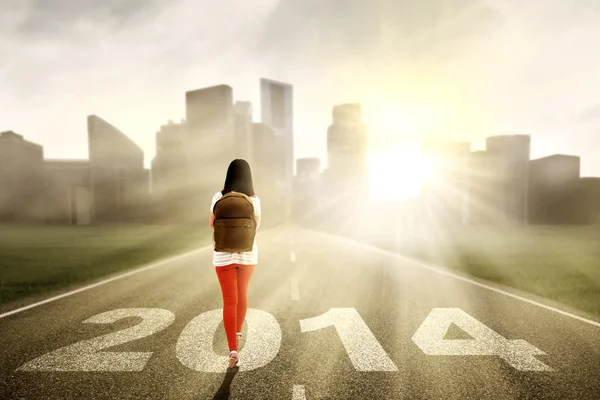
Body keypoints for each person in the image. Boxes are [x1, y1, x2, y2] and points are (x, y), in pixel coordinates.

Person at [209, 159, 261, 368]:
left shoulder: (218, 197)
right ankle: (237, 333)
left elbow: (211, 223)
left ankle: (233, 350)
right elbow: (257, 226)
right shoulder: (254, 199)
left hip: (222, 256)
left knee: (229, 301)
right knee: (242, 295)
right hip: (247, 255)